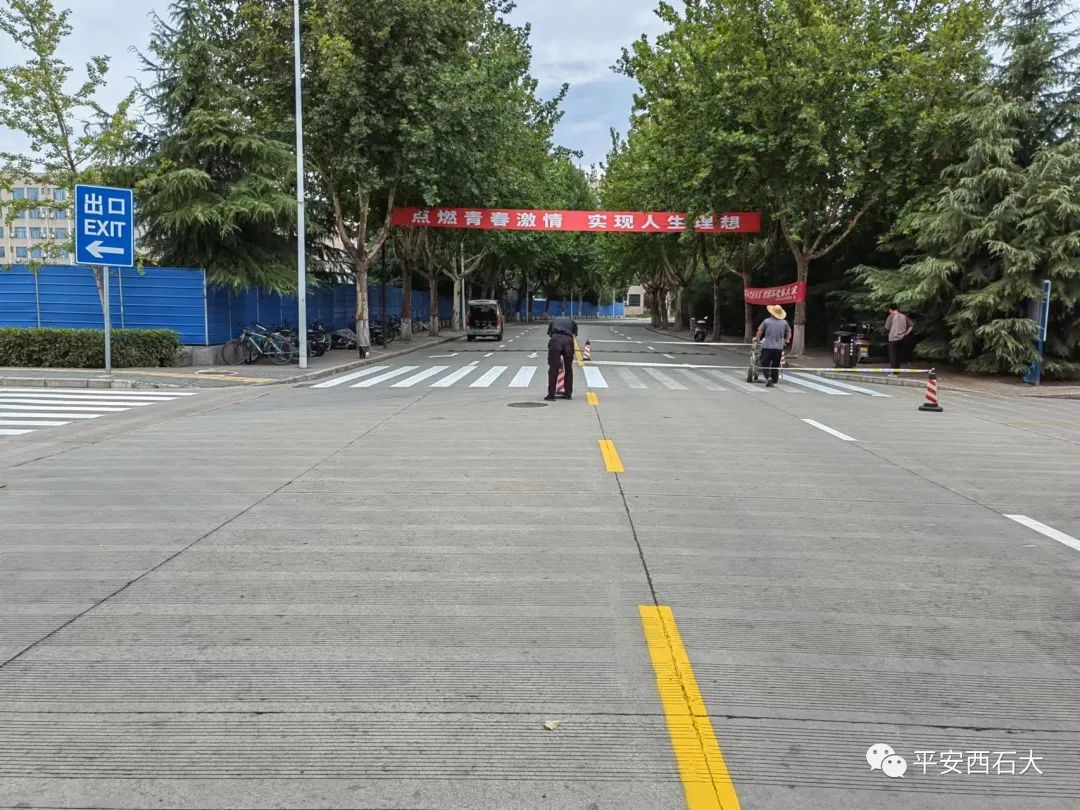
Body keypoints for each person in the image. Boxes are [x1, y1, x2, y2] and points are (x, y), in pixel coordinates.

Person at [755, 304, 792, 388]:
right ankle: (774, 379)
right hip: (779, 348)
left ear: (772, 313)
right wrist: (787, 340)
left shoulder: (766, 321)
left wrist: (757, 339)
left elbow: (759, 332)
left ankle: (768, 378)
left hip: (767, 346)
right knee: (775, 364)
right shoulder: (784, 322)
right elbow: (789, 332)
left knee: (764, 363)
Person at [545, 314, 578, 401]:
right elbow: (574, 335)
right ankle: (568, 394)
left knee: (553, 368)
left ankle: (551, 395)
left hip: (555, 340)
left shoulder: (554, 320)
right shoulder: (572, 322)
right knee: (568, 368)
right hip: (568, 341)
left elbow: (549, 333)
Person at [885, 304, 915, 374]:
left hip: (893, 338)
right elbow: (911, 325)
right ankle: (897, 371)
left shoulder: (891, 316)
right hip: (903, 338)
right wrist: (906, 333)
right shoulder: (904, 316)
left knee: (893, 355)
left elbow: (887, 327)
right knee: (898, 355)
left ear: (891, 309)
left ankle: (894, 372)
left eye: (889, 310)